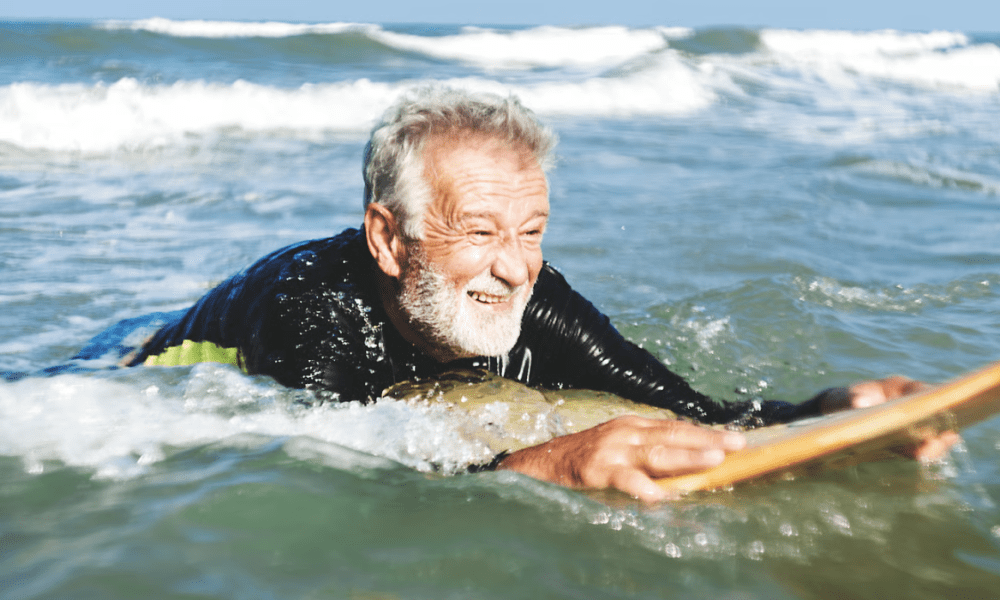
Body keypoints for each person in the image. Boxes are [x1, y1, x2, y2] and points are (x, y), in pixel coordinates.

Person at [79, 87, 953, 502]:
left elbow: (688, 408)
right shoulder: (312, 308)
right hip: (145, 360)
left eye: (531, 232)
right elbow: (344, 472)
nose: (513, 267)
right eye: (481, 232)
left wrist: (826, 413)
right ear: (390, 238)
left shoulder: (536, 298)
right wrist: (545, 463)